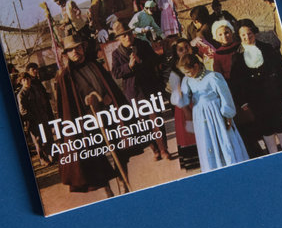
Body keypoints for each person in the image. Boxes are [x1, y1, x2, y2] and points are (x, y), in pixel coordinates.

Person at [54, 33, 124, 195]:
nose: (75, 52)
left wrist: (107, 96)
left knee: (119, 148)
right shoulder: (65, 76)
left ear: (83, 48)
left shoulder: (94, 66)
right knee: (96, 157)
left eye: (77, 47)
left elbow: (108, 86)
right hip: (87, 122)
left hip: (106, 114)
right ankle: (107, 190)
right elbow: (67, 107)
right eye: (70, 50)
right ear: (66, 54)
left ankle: (122, 181)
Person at [229, 19, 282, 155]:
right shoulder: (237, 56)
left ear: (254, 33)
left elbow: (281, 69)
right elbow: (236, 82)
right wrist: (242, 101)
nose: (247, 37)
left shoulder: (267, 48)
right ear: (239, 36)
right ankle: (273, 153)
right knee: (265, 126)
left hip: (274, 93)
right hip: (255, 98)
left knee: (280, 123)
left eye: (249, 33)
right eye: (243, 35)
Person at [109, 19, 171, 160]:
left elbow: (155, 60)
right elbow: (116, 73)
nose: (128, 37)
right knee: (143, 124)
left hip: (150, 88)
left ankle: (163, 149)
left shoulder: (143, 45)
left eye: (129, 33)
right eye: (124, 35)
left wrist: (141, 61)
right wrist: (129, 66)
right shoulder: (116, 54)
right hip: (133, 93)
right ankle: (154, 149)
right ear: (119, 38)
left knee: (156, 119)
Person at [175, 53, 248, 172]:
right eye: (185, 73)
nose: (187, 75)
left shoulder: (213, 77)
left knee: (224, 139)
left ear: (196, 66)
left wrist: (228, 116)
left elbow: (225, 96)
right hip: (200, 115)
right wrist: (180, 95)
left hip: (216, 114)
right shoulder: (187, 80)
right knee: (207, 141)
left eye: (188, 72)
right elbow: (186, 98)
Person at [165, 38, 200, 170]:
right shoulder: (175, 71)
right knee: (192, 135)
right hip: (186, 108)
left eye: (187, 47)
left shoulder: (197, 61)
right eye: (181, 50)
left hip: (199, 103)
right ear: (176, 53)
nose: (185, 50)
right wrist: (187, 112)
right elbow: (177, 95)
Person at [16, 67, 55, 165]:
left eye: (28, 79)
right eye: (24, 80)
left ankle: (52, 155)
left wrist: (45, 111)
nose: (26, 81)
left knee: (48, 136)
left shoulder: (35, 89)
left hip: (43, 117)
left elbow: (43, 100)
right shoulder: (21, 94)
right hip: (33, 121)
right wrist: (32, 118)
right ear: (21, 82)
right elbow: (22, 110)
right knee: (38, 140)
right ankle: (43, 158)